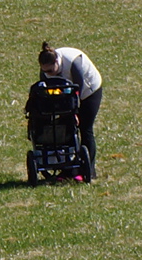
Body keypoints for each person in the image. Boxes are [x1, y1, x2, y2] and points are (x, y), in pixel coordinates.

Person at [38, 40, 103, 173]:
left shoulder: (73, 62)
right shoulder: (46, 69)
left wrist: (75, 113)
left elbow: (78, 90)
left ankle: (88, 170)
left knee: (85, 128)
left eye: (50, 70)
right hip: (65, 93)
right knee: (65, 128)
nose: (48, 74)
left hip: (88, 91)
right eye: (45, 71)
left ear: (57, 62)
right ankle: (68, 168)